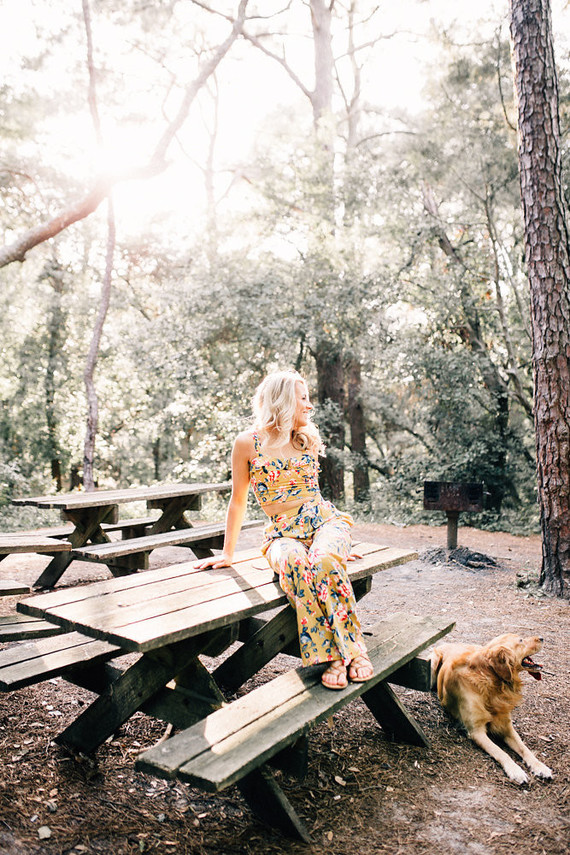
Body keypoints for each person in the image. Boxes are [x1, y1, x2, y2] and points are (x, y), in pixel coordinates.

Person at [196, 369, 373, 690]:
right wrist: (227, 554)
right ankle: (333, 655)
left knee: (324, 561)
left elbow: (314, 497)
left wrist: (335, 546)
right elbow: (237, 501)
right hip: (282, 534)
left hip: (325, 524)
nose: (309, 406)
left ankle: (354, 650)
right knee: (295, 563)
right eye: (303, 398)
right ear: (283, 401)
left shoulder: (306, 436)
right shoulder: (246, 443)